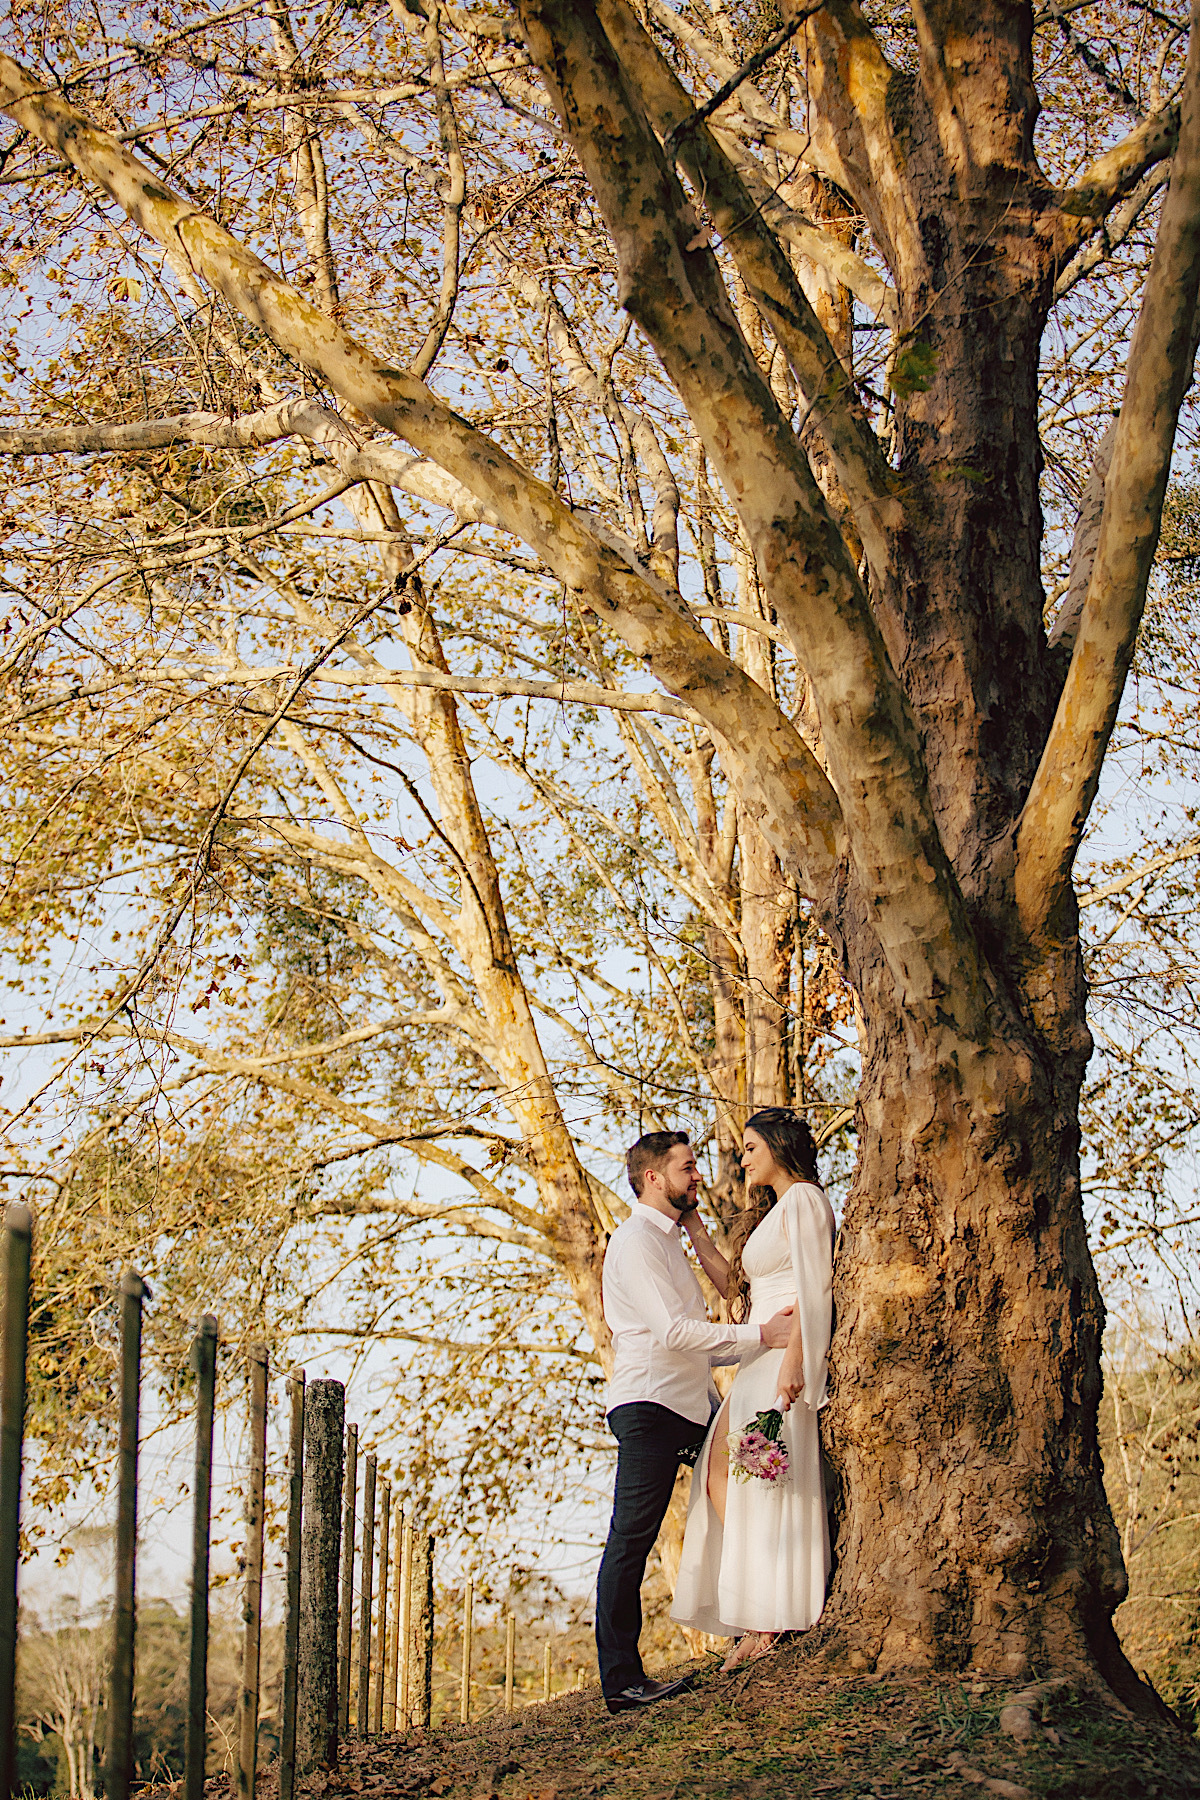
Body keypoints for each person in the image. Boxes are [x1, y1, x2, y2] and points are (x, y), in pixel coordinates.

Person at [595, 1129, 797, 1714]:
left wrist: (761, 1344)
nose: (699, 1175)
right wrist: (763, 1334)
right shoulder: (636, 1241)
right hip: (651, 1408)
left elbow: (700, 1346)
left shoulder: (669, 1242)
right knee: (631, 1540)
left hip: (689, 1406)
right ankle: (622, 1682)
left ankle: (764, 1613)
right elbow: (675, 1334)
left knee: (754, 1484)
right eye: (687, 1167)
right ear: (654, 1178)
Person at [671, 1108, 835, 1670]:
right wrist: (694, 1227)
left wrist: (796, 1362)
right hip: (756, 1362)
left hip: (781, 1364)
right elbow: (740, 1297)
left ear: (778, 1144)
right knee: (721, 1480)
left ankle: (769, 1619)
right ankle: (757, 1607)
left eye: (749, 1147)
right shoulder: (774, 1211)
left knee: (759, 1482)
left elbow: (815, 1286)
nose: (742, 1160)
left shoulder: (806, 1200)